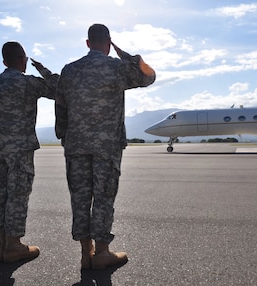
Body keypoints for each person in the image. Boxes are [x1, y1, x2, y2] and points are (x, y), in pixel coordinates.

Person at [55, 23, 156, 269]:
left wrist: (65, 137)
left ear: (87, 43)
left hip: (76, 145)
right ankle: (101, 253)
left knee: (79, 198)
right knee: (103, 197)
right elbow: (148, 76)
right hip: (106, 146)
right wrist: (125, 55)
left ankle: (84, 251)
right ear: (108, 44)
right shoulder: (117, 67)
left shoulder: (69, 70)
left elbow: (61, 106)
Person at [0, 41, 59, 263]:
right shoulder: (28, 83)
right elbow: (58, 88)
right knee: (17, 195)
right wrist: (41, 68)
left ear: (4, 62)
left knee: (0, 195)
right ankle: (14, 246)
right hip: (20, 150)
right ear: (23, 60)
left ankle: (3, 245)